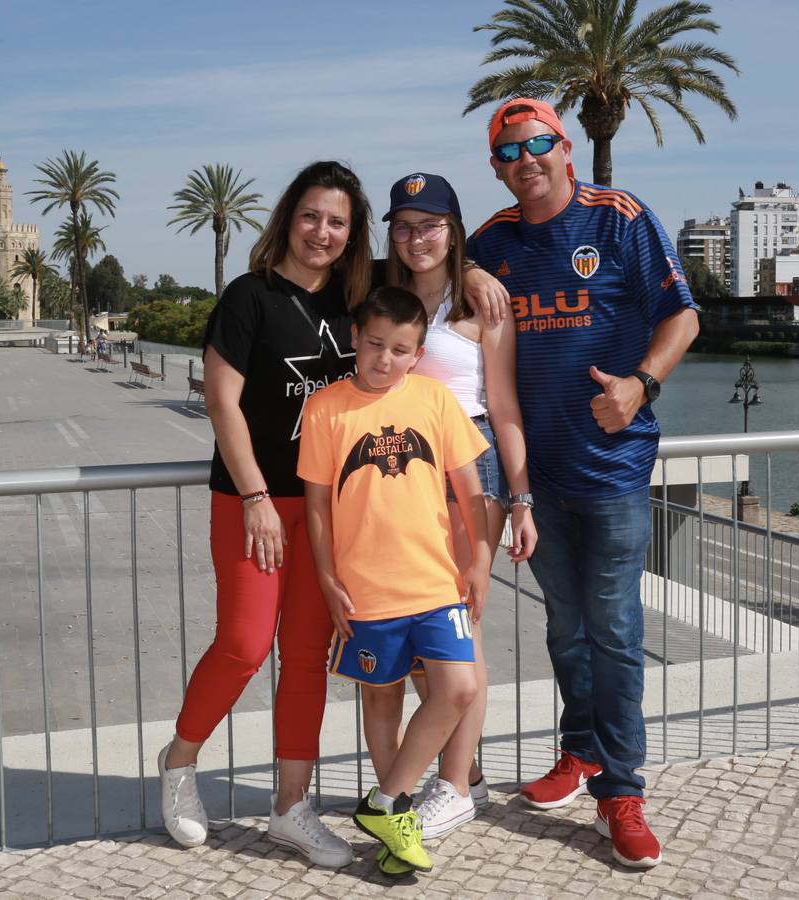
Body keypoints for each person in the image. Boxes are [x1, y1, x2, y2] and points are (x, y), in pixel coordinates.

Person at [466, 98, 699, 869]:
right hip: (539, 478)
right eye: (509, 151)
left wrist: (640, 384)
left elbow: (683, 318)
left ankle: (622, 791)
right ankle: (583, 753)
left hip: (614, 472)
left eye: (538, 144)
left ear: (567, 148)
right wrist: (466, 266)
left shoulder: (620, 218)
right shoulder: (493, 242)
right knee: (564, 630)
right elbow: (433, 272)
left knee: (615, 631)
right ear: (496, 167)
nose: (525, 159)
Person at [156, 160, 373, 868]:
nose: (322, 232)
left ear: (352, 233)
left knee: (308, 657)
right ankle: (180, 760)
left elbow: (431, 287)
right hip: (252, 502)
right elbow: (223, 401)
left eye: (337, 222)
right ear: (289, 218)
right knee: (245, 646)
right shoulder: (249, 296)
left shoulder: (357, 305)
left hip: (322, 507)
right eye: (311, 216)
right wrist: (254, 498)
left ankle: (290, 808)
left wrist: (478, 278)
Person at [299, 286, 492, 876]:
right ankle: (396, 826)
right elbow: (316, 505)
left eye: (401, 349)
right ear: (356, 338)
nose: (385, 359)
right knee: (380, 700)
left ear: (418, 353)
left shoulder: (435, 401)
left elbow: (472, 490)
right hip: (365, 588)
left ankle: (384, 802)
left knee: (456, 688)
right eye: (376, 344)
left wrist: (479, 560)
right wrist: (328, 577)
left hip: (435, 581)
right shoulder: (326, 408)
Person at [379, 172, 537, 839]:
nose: (418, 239)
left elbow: (503, 406)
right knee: (421, 632)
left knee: (456, 627)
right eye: (405, 226)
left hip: (467, 466)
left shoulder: (484, 307)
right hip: (400, 471)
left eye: (432, 225)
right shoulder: (382, 299)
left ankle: (452, 786)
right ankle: (460, 769)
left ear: (454, 229)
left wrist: (523, 499)